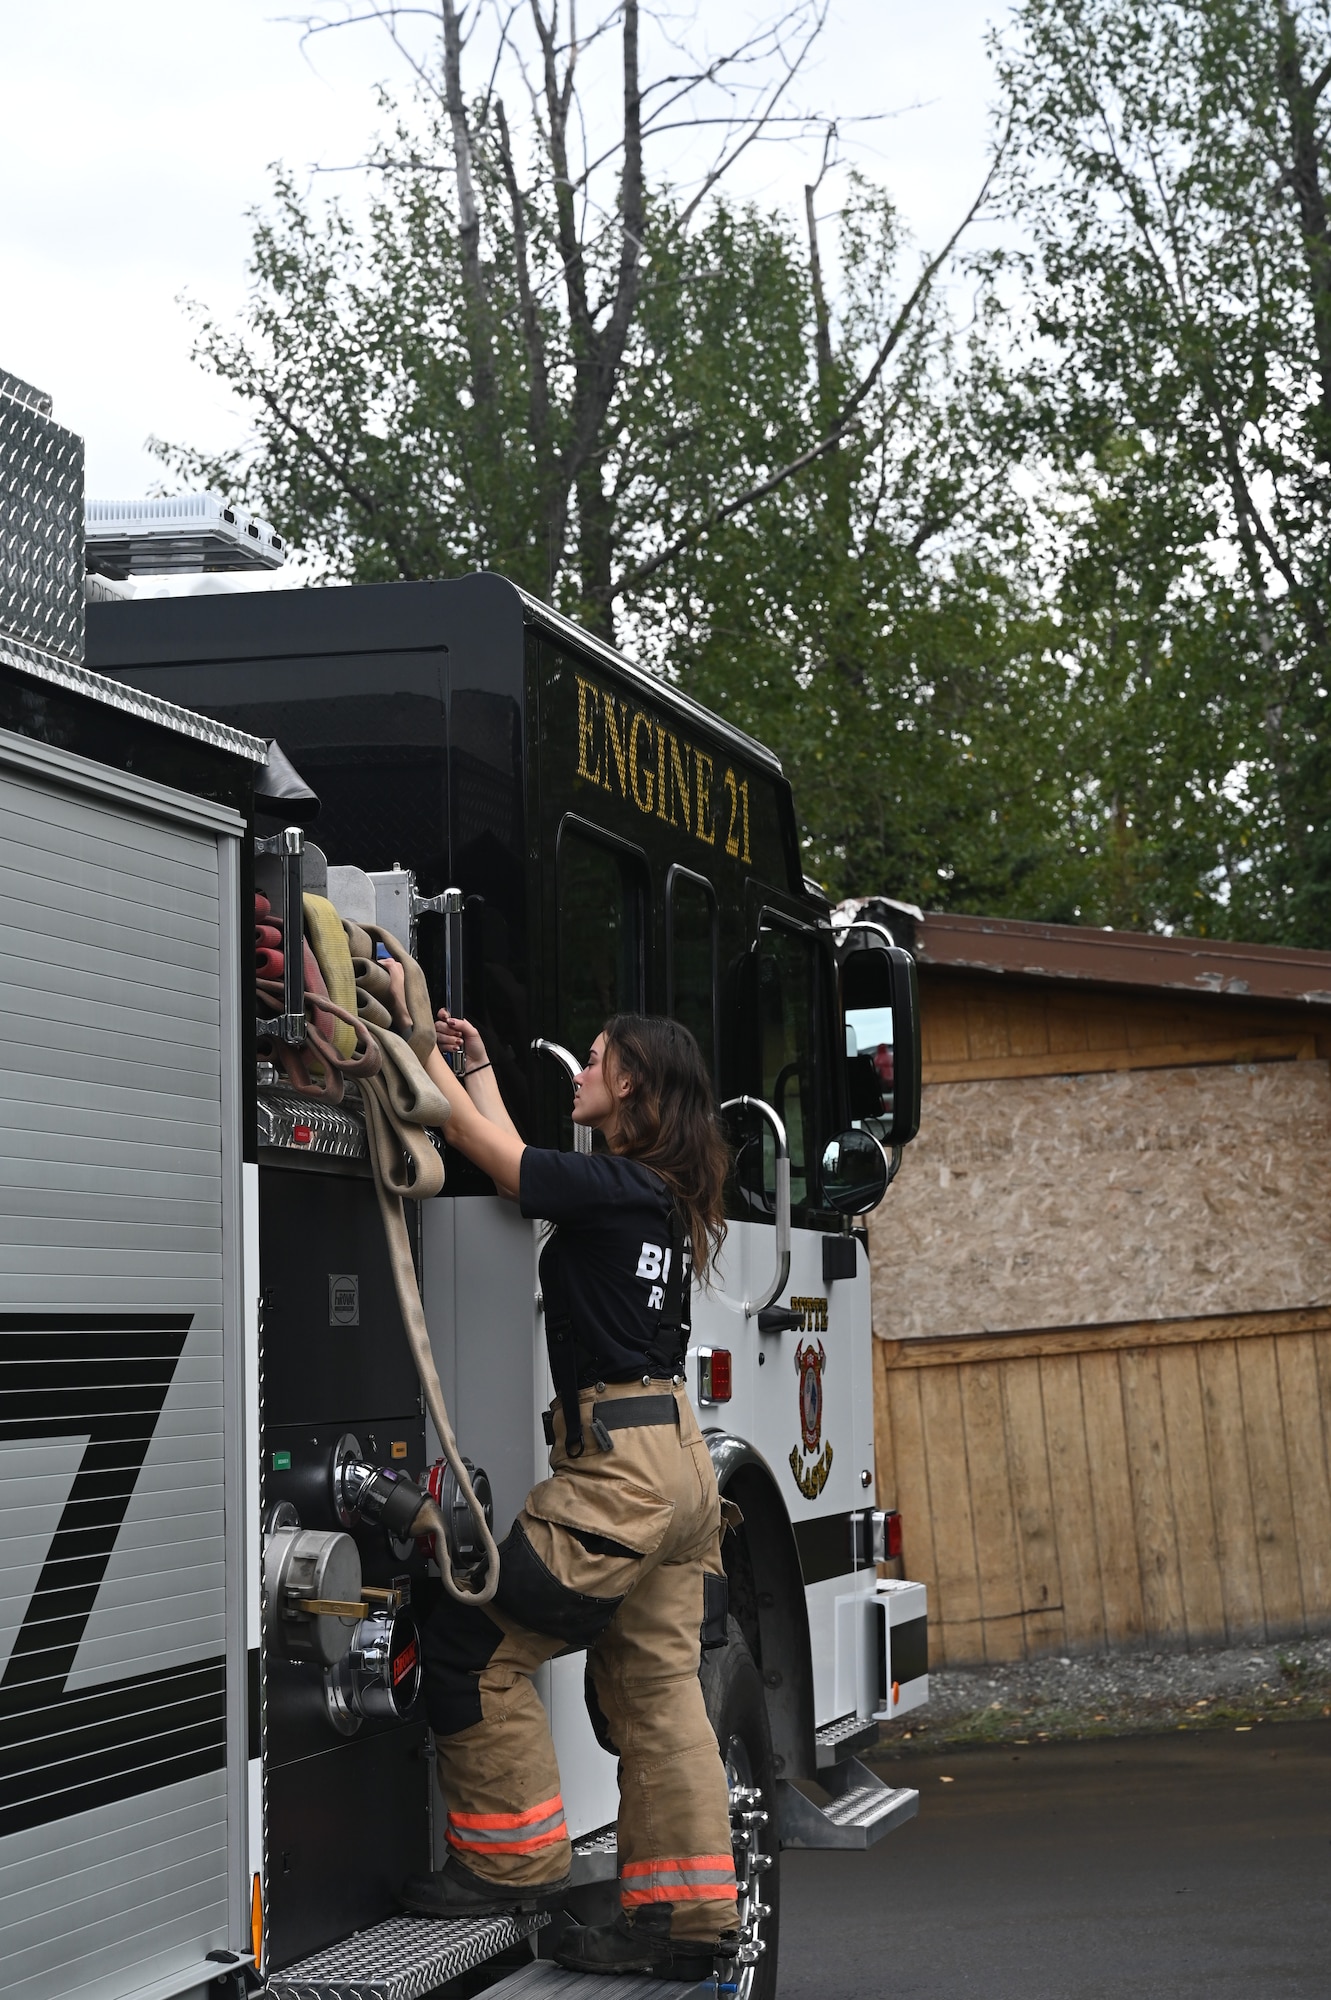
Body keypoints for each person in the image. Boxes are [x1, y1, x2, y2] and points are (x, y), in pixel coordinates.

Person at [400, 1010, 741, 1982]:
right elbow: (519, 1151)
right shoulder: (652, 1192)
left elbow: (498, 1161)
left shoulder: (616, 1185)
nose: (581, 1068)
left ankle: (512, 1864)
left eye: (596, 1058)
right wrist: (472, 1064)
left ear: (632, 1083)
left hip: (620, 1473)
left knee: (471, 1639)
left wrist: (406, 1026)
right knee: (656, 1691)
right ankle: (685, 1916)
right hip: (675, 1464)